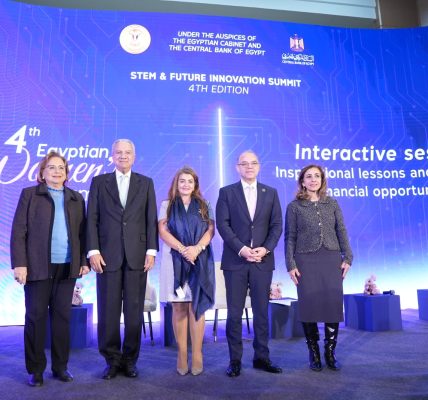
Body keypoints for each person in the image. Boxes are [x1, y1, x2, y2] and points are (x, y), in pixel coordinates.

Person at [10, 151, 88, 387]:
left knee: (62, 319)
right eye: (51, 167)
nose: (57, 171)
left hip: (67, 268)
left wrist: (83, 261)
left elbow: (83, 234)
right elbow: (19, 231)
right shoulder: (30, 195)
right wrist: (20, 264)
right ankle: (36, 370)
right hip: (37, 267)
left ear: (67, 173)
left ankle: (60, 367)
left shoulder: (76, 198)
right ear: (42, 173)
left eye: (61, 168)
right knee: (36, 317)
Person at [86, 139, 158, 380]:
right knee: (108, 313)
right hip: (107, 256)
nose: (123, 156)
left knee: (134, 313)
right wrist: (93, 250)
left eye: (127, 152)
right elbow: (92, 218)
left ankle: (130, 360)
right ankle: (112, 360)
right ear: (112, 156)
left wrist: (151, 250)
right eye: (119, 152)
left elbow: (150, 218)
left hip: (138, 256)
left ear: (134, 157)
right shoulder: (99, 182)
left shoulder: (146, 183)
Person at [216, 150, 283, 377]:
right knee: (234, 314)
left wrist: (266, 248)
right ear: (237, 167)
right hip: (235, 261)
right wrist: (242, 249)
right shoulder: (226, 192)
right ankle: (235, 360)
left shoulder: (271, 193)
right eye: (244, 164)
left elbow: (276, 226)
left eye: (253, 163)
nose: (249, 167)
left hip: (262, 261)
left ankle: (262, 358)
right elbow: (223, 225)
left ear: (259, 166)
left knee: (261, 313)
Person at [284, 164, 353, 372]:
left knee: (332, 304)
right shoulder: (294, 207)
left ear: (322, 180)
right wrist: (290, 264)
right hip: (305, 260)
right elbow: (290, 237)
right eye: (309, 176)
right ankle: (313, 353)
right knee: (309, 306)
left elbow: (341, 230)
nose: (313, 179)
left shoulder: (332, 203)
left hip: (331, 258)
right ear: (302, 181)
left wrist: (348, 257)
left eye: (317, 176)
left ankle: (330, 352)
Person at [158, 167, 215, 376]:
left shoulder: (205, 205)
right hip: (175, 262)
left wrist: (196, 249)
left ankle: (197, 353)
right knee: (180, 307)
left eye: (190, 181)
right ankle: (182, 354)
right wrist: (183, 250)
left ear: (195, 184)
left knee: (197, 307)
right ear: (176, 183)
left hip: (199, 261)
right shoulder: (167, 205)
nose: (186, 184)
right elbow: (162, 231)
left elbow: (211, 230)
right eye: (182, 181)